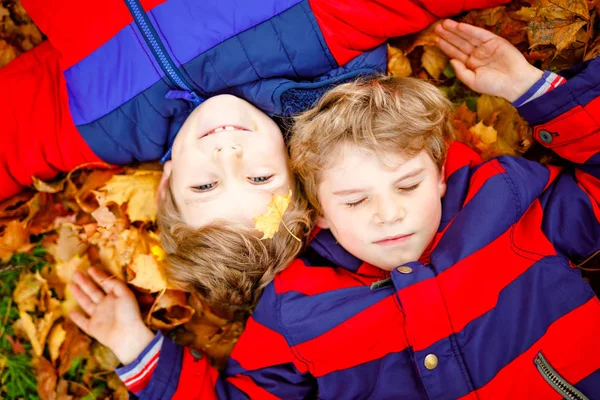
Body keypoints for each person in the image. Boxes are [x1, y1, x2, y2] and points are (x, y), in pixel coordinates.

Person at [71, 20, 600, 399]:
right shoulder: (294, 310)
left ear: (439, 174)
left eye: (410, 184)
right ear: (314, 207)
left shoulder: (501, 200)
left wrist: (531, 90)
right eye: (353, 199)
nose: (389, 215)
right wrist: (137, 348)